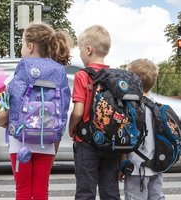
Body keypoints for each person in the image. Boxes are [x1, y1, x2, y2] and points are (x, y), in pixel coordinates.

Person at [0, 22, 72, 200]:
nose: (22, 48)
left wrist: (0, 118)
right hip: (48, 141)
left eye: (22, 44)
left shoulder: (19, 73)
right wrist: (54, 145)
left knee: (22, 191)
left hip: (20, 141)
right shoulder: (59, 73)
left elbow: (2, 119)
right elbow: (62, 111)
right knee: (41, 191)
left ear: (30, 46)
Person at [68, 25, 121, 200]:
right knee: (110, 191)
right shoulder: (114, 77)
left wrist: (72, 128)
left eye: (81, 50)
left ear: (89, 50)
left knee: (85, 191)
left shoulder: (82, 75)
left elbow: (78, 111)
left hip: (86, 142)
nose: (80, 54)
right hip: (111, 142)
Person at [119, 59, 164, 200]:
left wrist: (122, 163)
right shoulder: (158, 107)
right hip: (157, 166)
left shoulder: (130, 108)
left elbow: (125, 140)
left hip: (136, 168)